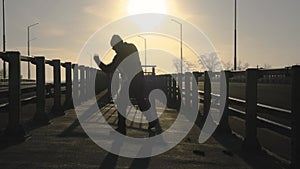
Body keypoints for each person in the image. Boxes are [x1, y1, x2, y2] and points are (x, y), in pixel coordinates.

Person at [94, 34, 162, 136]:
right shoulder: (132, 47)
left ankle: (123, 128)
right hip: (139, 78)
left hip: (131, 80)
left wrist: (98, 61)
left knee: (126, 103)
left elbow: (109, 69)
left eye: (113, 47)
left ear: (116, 45)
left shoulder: (120, 54)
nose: (114, 50)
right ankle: (150, 121)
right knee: (139, 101)